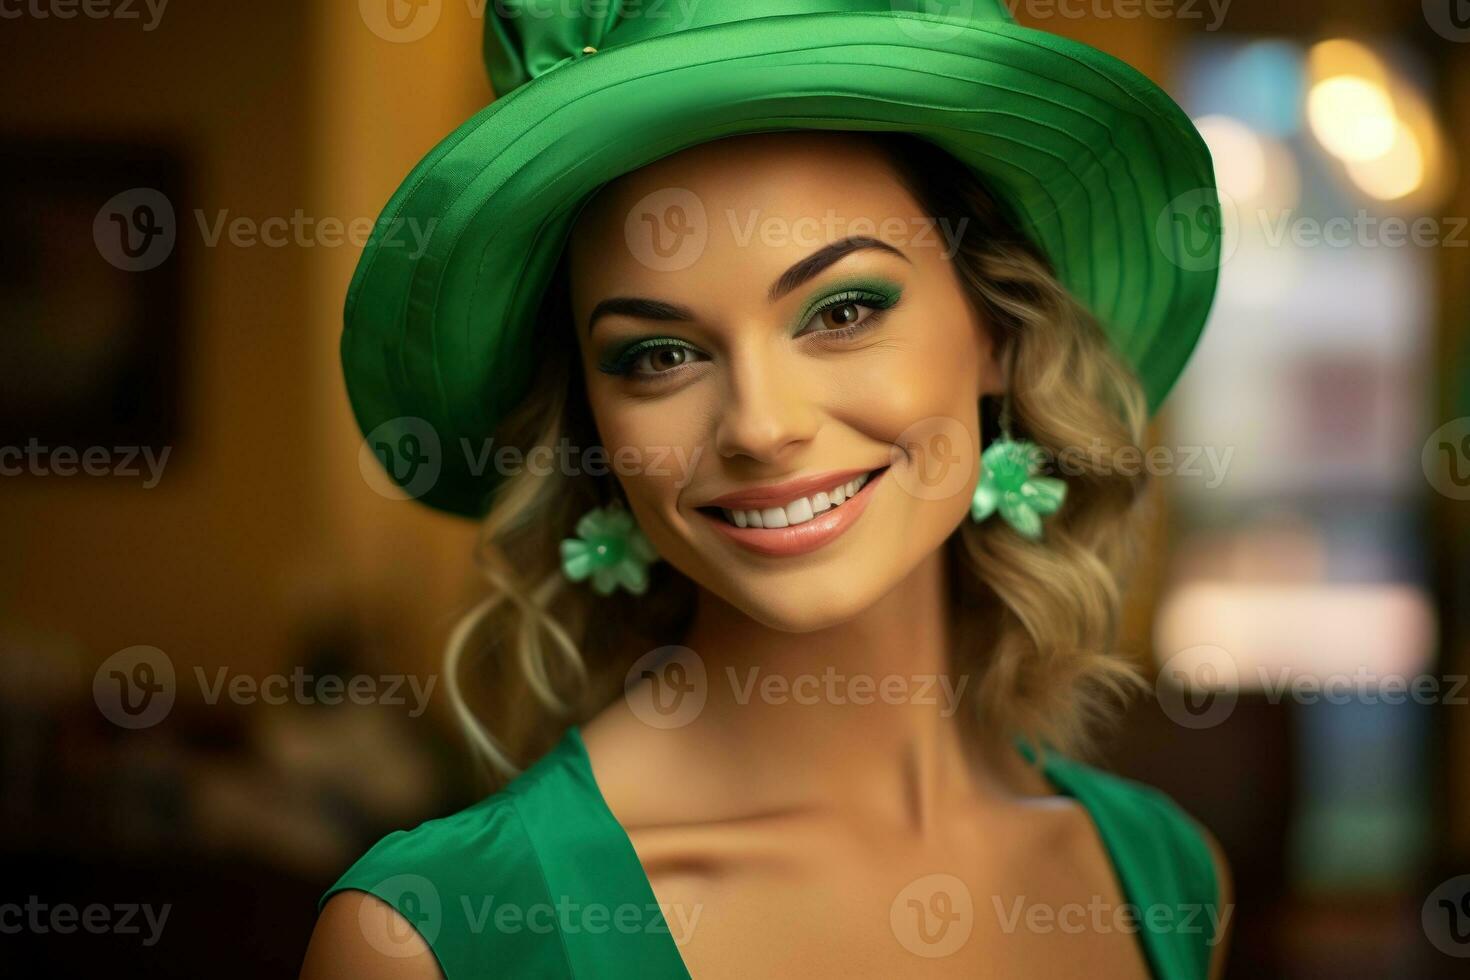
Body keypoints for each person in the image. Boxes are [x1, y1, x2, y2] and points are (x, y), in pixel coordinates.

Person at [303, 3, 1231, 978]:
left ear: (999, 330)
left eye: (843, 309)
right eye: (657, 354)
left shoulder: (1165, 874)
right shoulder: (427, 936)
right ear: (593, 427)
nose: (759, 423)